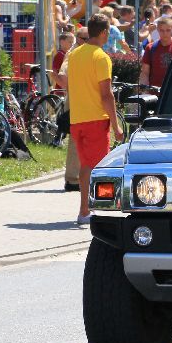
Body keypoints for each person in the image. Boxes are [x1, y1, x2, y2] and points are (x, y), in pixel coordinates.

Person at [64, 14, 124, 225]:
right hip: (95, 119)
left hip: (77, 118)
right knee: (96, 167)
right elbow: (106, 95)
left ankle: (87, 209)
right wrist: (116, 125)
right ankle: (87, 211)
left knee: (85, 166)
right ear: (105, 32)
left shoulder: (75, 54)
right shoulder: (101, 57)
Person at [59, 28, 88, 191]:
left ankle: (77, 177)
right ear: (80, 39)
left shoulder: (79, 52)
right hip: (78, 101)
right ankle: (72, 179)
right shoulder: (74, 53)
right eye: (86, 38)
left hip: (81, 100)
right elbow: (62, 76)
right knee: (77, 138)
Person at [139, 17, 172, 88]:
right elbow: (145, 72)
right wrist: (144, 88)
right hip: (154, 92)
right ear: (157, 30)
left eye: (168, 30)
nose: (165, 33)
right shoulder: (150, 48)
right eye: (161, 30)